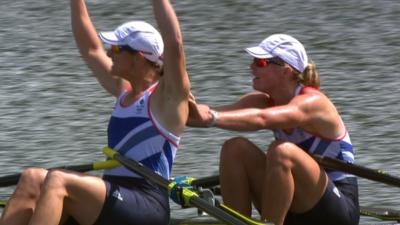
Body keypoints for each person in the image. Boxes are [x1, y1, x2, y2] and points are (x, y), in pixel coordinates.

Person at [0, 0, 190, 224]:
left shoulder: (167, 98)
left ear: (139, 57)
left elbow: (174, 42)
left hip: (147, 203)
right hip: (115, 194)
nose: (110, 53)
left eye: (117, 48)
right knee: (32, 177)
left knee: (58, 179)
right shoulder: (124, 92)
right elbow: (90, 49)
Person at [187, 34, 359, 225]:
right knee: (234, 148)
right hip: (295, 207)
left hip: (338, 210)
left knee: (281, 151)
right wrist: (179, 108)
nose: (251, 67)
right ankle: (236, 222)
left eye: (260, 62)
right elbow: (207, 115)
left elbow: (262, 119)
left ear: (286, 70)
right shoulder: (260, 101)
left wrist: (211, 118)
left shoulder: (314, 102)